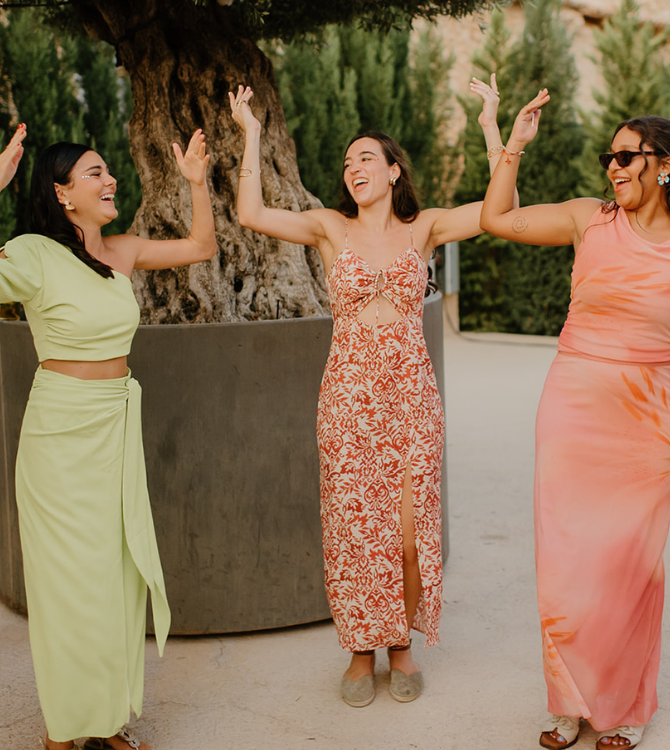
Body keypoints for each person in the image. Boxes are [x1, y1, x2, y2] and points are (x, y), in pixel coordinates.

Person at [231, 79, 538, 706]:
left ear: (394, 170)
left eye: (365, 157)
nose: (352, 168)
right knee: (352, 528)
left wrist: (493, 130)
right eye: (347, 163)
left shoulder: (423, 227)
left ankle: (400, 643)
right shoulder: (327, 227)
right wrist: (252, 136)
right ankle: (359, 650)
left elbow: (493, 213)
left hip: (411, 396)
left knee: (405, 530)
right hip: (347, 395)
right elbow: (251, 214)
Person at [0, 121, 216, 750]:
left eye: (107, 171)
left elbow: (202, 245)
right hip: (60, 440)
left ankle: (108, 718)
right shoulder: (35, 252)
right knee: (70, 590)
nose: (110, 180)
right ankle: (60, 738)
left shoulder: (119, 251)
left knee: (117, 580)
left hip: (114, 427)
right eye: (94, 172)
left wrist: (197, 183)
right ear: (63, 193)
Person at [479, 112, 670, 750]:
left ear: (666, 164)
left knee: (629, 566)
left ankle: (624, 706)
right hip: (572, 405)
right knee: (566, 563)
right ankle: (567, 701)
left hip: (646, 418)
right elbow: (496, 219)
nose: (614, 168)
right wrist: (510, 143)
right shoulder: (587, 218)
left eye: (627, 157)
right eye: (610, 158)